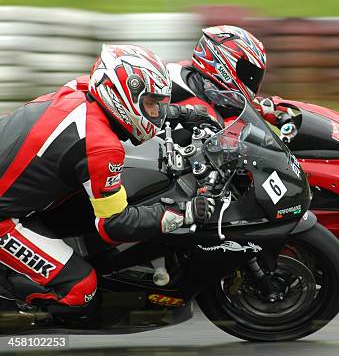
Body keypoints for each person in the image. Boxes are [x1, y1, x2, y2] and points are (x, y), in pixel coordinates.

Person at [0, 44, 213, 317]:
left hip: (17, 187)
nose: (155, 111)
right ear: (123, 96)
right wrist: (183, 214)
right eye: (150, 103)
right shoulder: (101, 146)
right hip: (6, 218)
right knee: (81, 289)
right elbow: (114, 226)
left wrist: (183, 114)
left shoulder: (82, 89)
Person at [168, 25, 296, 138]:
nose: (252, 79)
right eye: (248, 72)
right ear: (222, 63)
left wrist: (265, 108)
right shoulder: (174, 87)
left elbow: (228, 103)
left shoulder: (205, 85)